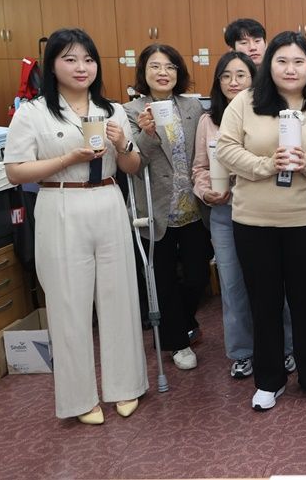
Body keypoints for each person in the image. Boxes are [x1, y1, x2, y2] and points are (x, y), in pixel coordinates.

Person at [4, 28, 147, 424]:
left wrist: (123, 145)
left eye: (88, 59)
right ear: (52, 66)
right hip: (61, 201)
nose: (81, 67)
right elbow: (15, 172)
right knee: (69, 304)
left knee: (120, 297)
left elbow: (133, 166)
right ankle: (79, 399)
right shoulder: (34, 112)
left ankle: (126, 385)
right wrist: (67, 159)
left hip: (108, 200)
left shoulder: (112, 109)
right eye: (69, 59)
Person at [216, 31, 306, 411]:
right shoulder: (245, 102)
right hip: (254, 220)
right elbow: (225, 149)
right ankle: (269, 380)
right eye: (282, 61)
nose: (290, 69)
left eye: (299, 61)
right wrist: (266, 165)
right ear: (269, 65)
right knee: (263, 302)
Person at [191, 52, 296, 379]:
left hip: (264, 208)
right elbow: (199, 168)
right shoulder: (208, 121)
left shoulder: (269, 115)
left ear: (255, 79)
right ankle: (242, 352)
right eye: (226, 76)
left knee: (276, 284)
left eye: (241, 75)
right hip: (225, 212)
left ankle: (287, 347)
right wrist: (206, 191)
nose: (233, 82)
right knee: (233, 284)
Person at [125, 44, 212, 371]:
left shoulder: (192, 107)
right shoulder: (130, 111)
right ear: (143, 72)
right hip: (156, 209)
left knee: (197, 276)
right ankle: (178, 342)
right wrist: (147, 134)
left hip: (192, 208)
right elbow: (134, 164)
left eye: (170, 67)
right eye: (155, 66)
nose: (163, 73)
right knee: (162, 279)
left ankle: (183, 321)